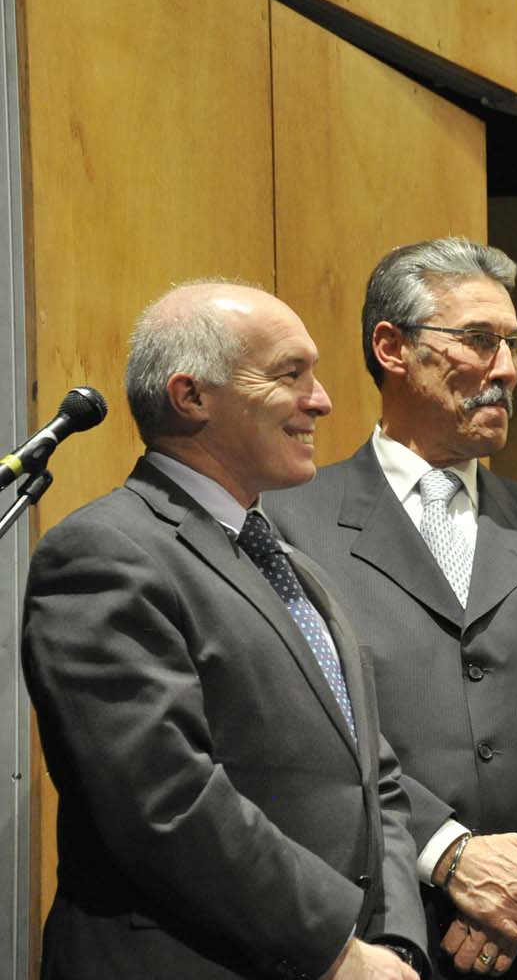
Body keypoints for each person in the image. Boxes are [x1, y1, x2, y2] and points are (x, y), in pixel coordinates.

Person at [22, 282, 427, 979]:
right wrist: (334, 947)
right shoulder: (105, 553)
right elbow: (165, 800)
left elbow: (373, 776)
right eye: (289, 374)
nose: (322, 401)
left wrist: (395, 943)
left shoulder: (294, 564)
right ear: (192, 396)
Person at [265, 238, 517, 980]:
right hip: (383, 931)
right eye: (478, 340)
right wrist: (450, 854)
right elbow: (296, 729)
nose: (506, 370)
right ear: (392, 348)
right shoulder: (285, 521)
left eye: (514, 346)